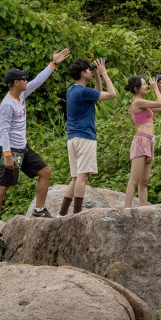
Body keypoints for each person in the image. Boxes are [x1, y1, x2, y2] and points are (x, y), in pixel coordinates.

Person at [0, 47, 70, 236]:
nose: (26, 81)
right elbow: (4, 131)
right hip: (10, 150)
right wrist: (7, 156)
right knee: (3, 186)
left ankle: (39, 210)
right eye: (23, 79)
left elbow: (38, 81)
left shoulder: (21, 95)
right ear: (16, 82)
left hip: (23, 148)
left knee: (45, 171)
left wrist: (53, 63)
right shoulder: (7, 104)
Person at [58, 57, 116, 215]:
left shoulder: (72, 90)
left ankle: (62, 213)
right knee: (82, 178)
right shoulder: (83, 92)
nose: (91, 71)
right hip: (85, 137)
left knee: (75, 177)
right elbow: (112, 94)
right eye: (89, 70)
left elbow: (95, 93)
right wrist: (104, 73)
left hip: (73, 138)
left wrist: (96, 75)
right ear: (83, 73)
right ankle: (77, 214)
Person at [124, 76, 161, 208]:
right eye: (144, 84)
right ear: (136, 89)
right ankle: (126, 210)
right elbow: (159, 103)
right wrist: (155, 88)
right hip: (141, 140)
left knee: (144, 182)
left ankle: (144, 210)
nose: (146, 86)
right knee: (134, 180)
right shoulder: (137, 103)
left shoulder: (145, 104)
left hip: (149, 141)